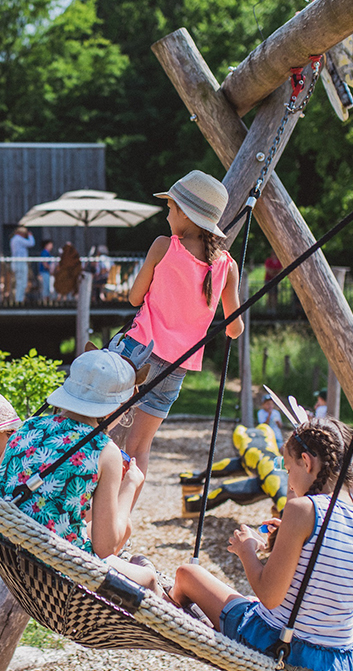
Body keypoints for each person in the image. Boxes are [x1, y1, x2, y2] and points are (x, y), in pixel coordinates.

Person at [168, 418, 353, 671]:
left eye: (288, 468)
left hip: (279, 646)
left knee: (188, 574)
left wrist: (246, 550)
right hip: (335, 660)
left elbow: (270, 596)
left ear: (306, 462)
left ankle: (172, 622)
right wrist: (290, 534)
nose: (288, 481)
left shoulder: (302, 509)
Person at [0, 344, 162, 595]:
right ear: (115, 407)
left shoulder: (29, 425)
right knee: (148, 578)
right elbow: (105, 548)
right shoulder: (104, 450)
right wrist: (130, 485)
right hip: (62, 569)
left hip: (7, 549)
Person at [111, 170, 244, 489]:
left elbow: (134, 298)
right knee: (139, 448)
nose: (168, 214)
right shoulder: (227, 266)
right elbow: (234, 329)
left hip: (137, 352)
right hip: (177, 367)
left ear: (185, 212)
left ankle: (93, 515)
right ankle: (122, 518)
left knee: (108, 437)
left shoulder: (163, 246)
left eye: (170, 207)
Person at [10, 226, 35, 303]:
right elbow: (31, 243)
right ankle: (19, 299)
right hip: (20, 263)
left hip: (17, 262)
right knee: (21, 282)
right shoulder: (18, 239)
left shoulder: (14, 239)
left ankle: (19, 298)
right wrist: (30, 235)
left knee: (20, 281)